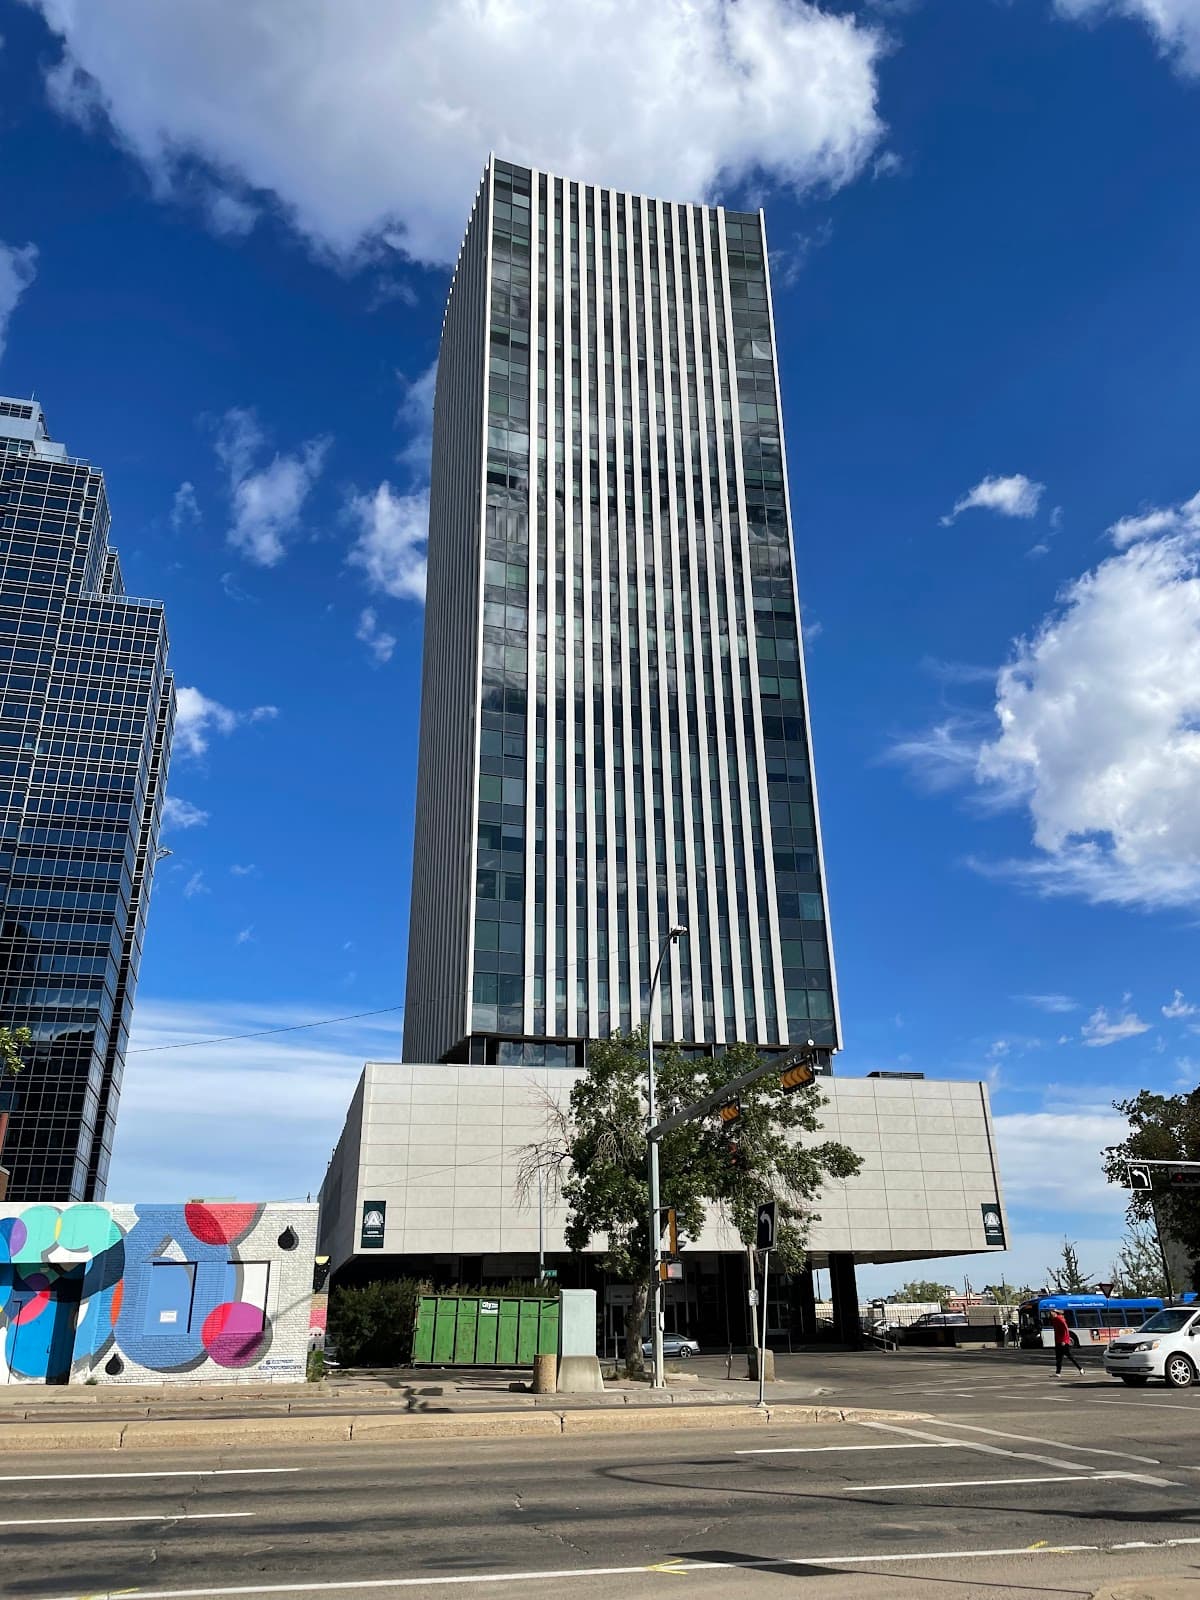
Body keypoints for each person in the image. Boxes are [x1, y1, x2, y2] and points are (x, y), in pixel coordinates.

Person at [1049, 1307, 1083, 1375]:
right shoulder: (1055, 1320)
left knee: (1069, 1356)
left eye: (1051, 1313)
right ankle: (1058, 1372)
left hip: (1063, 1342)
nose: (1050, 1315)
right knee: (1058, 1358)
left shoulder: (1060, 1319)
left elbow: (1065, 1330)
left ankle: (1080, 1368)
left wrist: (1064, 1340)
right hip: (1058, 1341)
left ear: (1055, 1313)